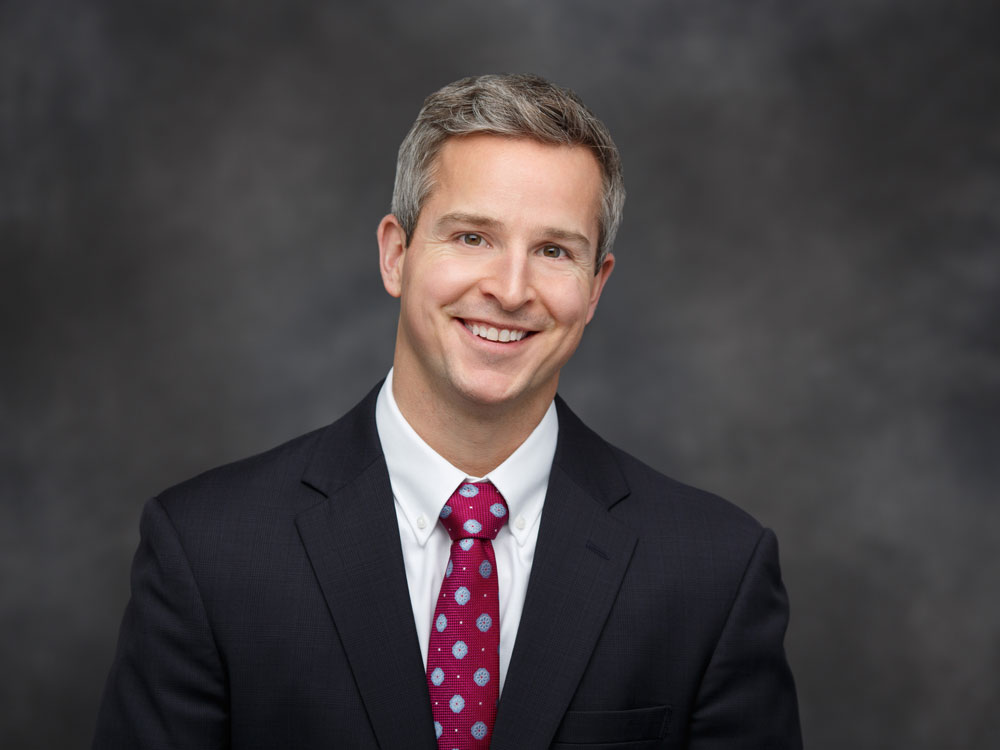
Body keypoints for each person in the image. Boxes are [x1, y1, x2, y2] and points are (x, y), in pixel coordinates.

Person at [93, 73, 802, 749]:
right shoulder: (209, 551)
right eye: (472, 237)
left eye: (554, 250)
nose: (511, 288)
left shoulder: (713, 572)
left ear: (595, 288)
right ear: (396, 254)